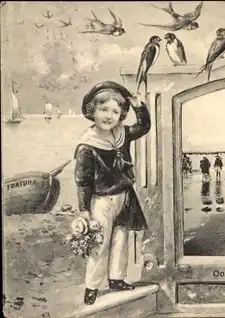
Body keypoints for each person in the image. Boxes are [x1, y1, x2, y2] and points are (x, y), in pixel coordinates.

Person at [74, 81, 151, 305]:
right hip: (101, 200)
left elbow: (144, 126)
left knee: (121, 237)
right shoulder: (87, 146)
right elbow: (83, 181)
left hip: (124, 196)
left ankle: (116, 278)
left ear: (121, 115)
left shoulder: (122, 134)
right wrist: (84, 210)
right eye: (103, 109)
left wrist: (139, 106)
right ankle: (92, 286)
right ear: (92, 111)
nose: (109, 116)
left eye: (115, 111)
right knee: (100, 243)